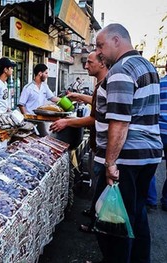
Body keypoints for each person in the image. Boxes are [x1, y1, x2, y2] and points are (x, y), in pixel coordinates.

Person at [88, 23, 162, 263]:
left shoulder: (121, 70)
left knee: (114, 224)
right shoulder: (147, 66)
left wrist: (110, 164)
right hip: (148, 155)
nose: (99, 52)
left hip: (127, 159)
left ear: (117, 40)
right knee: (136, 215)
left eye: (101, 45)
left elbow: (119, 122)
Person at [50, 51, 108, 234]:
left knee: (101, 188)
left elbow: (95, 118)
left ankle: (98, 225)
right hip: (98, 144)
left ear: (102, 63)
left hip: (103, 147)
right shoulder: (100, 84)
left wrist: (67, 122)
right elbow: (97, 103)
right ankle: (95, 216)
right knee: (99, 186)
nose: (85, 65)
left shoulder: (106, 82)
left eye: (89, 62)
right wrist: (79, 96)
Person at [149, 58, 167, 212]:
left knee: (150, 165)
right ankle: (166, 200)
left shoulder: (158, 85)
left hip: (157, 130)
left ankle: (150, 199)